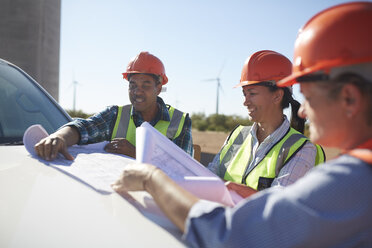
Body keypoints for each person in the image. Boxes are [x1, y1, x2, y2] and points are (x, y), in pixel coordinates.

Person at [112, 2, 372, 247]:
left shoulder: (352, 182)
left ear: (349, 98)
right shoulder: (238, 134)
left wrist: (152, 179)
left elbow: (233, 236)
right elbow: (210, 177)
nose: (303, 109)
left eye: (311, 97)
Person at [35, 51, 193, 160]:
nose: (137, 92)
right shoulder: (115, 115)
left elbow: (182, 169)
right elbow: (84, 127)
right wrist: (59, 137)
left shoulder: (179, 121)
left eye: (145, 85)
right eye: (132, 85)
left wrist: (137, 154)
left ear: (158, 88)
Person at [208, 50, 324, 192]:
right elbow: (209, 176)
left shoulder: (302, 149)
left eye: (252, 93)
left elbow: (277, 206)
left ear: (277, 96)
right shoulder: (237, 136)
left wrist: (226, 188)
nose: (245, 102)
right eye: (244, 94)